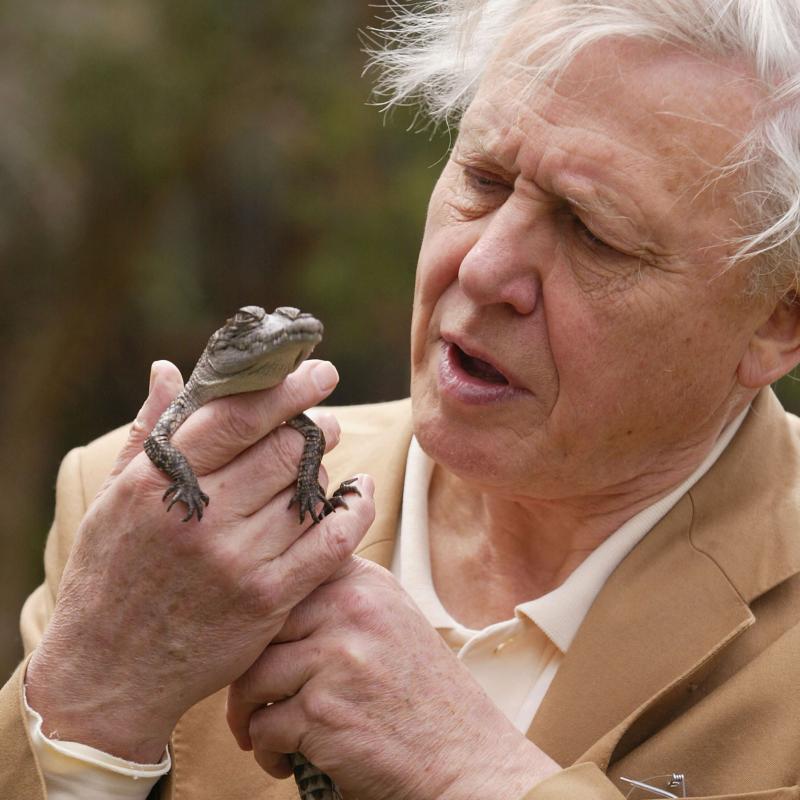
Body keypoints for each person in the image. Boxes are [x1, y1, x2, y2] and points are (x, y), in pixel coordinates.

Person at [4, 1, 800, 798]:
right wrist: (89, 703)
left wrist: (477, 775)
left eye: (595, 231)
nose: (483, 267)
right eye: (483, 179)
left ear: (776, 319)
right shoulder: (142, 524)